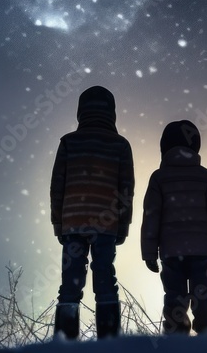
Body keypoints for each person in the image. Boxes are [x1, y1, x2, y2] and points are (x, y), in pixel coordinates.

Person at [50, 85, 134, 339]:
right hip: (106, 224)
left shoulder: (68, 142)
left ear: (80, 111)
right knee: (105, 278)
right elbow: (126, 189)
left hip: (73, 223)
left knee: (70, 283)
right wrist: (122, 226)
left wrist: (58, 224)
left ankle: (65, 342)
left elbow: (57, 186)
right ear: (112, 113)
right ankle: (109, 341)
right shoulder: (120, 145)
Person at [141, 120, 207, 335]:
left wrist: (149, 253)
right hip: (201, 249)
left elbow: (151, 216)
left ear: (165, 147)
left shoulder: (159, 178)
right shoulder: (206, 176)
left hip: (172, 251)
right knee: (204, 292)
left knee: (174, 295)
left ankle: (176, 336)